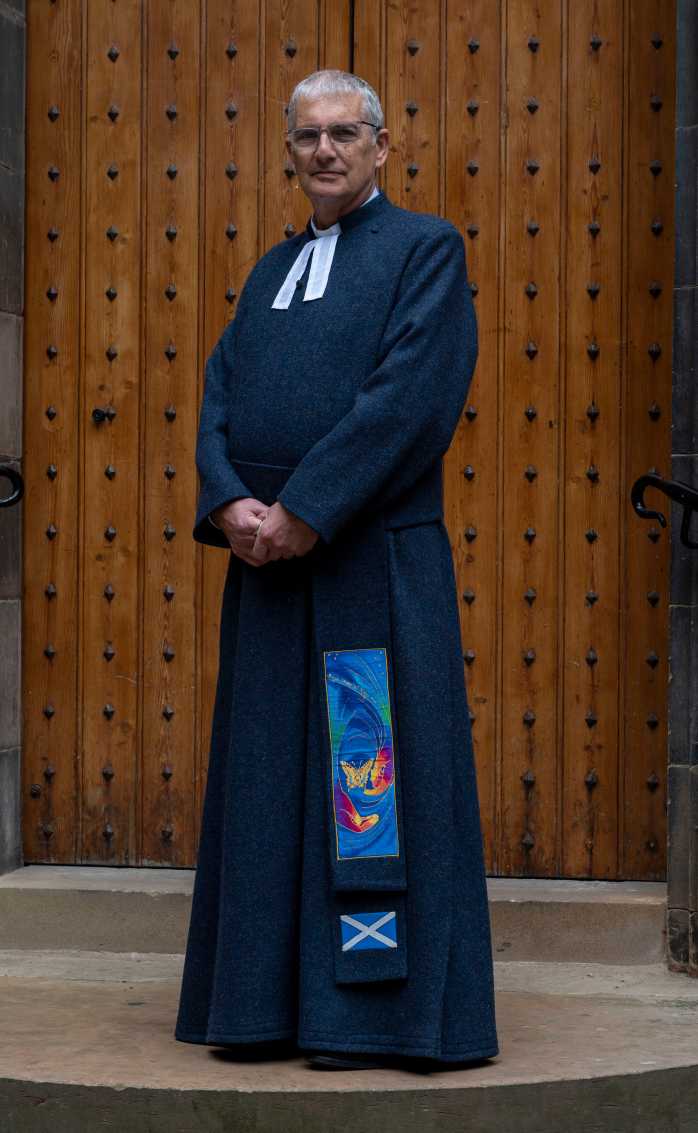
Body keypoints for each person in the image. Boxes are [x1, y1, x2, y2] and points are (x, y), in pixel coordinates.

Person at [174, 68, 498, 1071]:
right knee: (271, 784)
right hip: (269, 570)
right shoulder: (270, 268)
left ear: (380, 146)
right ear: (289, 148)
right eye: (307, 135)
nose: (324, 150)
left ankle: (373, 1017)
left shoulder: (423, 249)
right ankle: (263, 1004)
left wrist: (308, 511)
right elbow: (219, 388)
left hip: (369, 571)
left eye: (343, 134)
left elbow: (407, 401)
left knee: (372, 789)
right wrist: (229, 499)